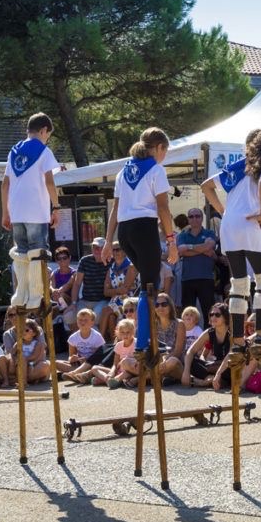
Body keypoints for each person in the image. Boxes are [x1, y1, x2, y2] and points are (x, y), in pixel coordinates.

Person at [201, 129, 261, 367]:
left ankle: (237, 340)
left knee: (239, 281)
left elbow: (206, 186)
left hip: (229, 226)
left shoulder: (237, 166)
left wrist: (223, 211)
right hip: (249, 222)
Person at [102, 127, 178, 357]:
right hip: (144, 228)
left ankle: (144, 337)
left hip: (124, 232)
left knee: (148, 282)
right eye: (166, 151)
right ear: (159, 148)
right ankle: (143, 342)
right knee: (150, 285)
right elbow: (163, 207)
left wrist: (108, 241)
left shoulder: (123, 172)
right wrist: (171, 240)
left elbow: (115, 209)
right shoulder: (156, 170)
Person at [1, 112, 61, 313]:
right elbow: (50, 182)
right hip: (37, 211)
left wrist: (5, 212)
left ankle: (21, 293)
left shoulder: (13, 151)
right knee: (37, 252)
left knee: (21, 253)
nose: (47, 139)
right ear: (44, 130)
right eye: (48, 135)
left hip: (16, 211)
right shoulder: (44, 151)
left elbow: (4, 184)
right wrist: (56, 206)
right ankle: (36, 295)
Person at [176, 207, 218, 324]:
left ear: (202, 218)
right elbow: (180, 251)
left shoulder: (209, 233)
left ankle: (210, 339)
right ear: (188, 219)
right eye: (191, 216)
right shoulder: (182, 236)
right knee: (188, 315)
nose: (194, 219)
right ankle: (189, 339)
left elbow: (210, 246)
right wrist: (203, 249)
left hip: (206, 278)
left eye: (197, 216)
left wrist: (189, 247)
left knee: (209, 313)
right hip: (187, 279)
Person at [184, 302, 231, 389]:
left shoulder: (231, 333)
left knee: (230, 366)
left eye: (217, 315)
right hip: (214, 367)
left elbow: (231, 357)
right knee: (191, 361)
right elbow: (191, 351)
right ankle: (211, 380)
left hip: (228, 367)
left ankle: (206, 381)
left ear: (225, 317)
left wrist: (218, 372)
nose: (213, 317)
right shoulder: (210, 332)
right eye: (211, 314)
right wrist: (186, 372)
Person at [96, 241, 137, 340]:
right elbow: (105, 292)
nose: (115, 252)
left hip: (128, 300)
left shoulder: (131, 266)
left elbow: (125, 290)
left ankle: (99, 341)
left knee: (106, 311)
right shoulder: (111, 269)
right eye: (113, 250)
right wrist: (119, 290)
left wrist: (113, 290)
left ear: (124, 251)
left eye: (118, 249)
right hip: (115, 301)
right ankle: (114, 344)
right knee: (111, 317)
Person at [71, 238, 111, 330]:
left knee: (94, 318)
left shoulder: (111, 261)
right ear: (92, 248)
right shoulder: (85, 261)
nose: (98, 250)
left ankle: (96, 341)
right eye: (95, 247)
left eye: (101, 247)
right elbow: (77, 283)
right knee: (70, 316)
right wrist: (73, 303)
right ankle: (75, 341)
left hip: (103, 300)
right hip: (85, 300)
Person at [0, 318, 50, 387]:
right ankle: (6, 381)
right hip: (18, 363)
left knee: (23, 359)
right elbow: (12, 353)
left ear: (34, 333)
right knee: (1, 358)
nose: (23, 332)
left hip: (30, 364)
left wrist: (25, 360)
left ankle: (23, 382)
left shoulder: (37, 344)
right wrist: (14, 360)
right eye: (21, 330)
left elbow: (35, 356)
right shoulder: (18, 343)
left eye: (26, 330)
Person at [149, 292, 187, 383]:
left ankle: (139, 379)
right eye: (157, 305)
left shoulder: (179, 324)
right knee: (127, 362)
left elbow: (178, 351)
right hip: (158, 360)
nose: (160, 307)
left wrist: (165, 360)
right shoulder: (153, 324)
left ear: (170, 306)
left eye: (164, 304)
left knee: (172, 361)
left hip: (175, 362)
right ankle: (165, 377)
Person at [61, 308, 105, 379]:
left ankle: (75, 373)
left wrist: (87, 359)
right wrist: (72, 358)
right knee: (55, 363)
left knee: (97, 366)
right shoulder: (73, 337)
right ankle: (80, 373)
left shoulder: (97, 337)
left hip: (92, 363)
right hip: (79, 363)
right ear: (77, 321)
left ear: (92, 322)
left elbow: (101, 356)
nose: (82, 322)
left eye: (85, 320)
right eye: (80, 320)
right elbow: (71, 356)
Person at [93, 319, 136, 387]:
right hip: (119, 371)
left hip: (130, 372)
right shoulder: (118, 345)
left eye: (128, 332)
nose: (125, 335)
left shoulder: (136, 344)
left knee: (126, 372)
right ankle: (108, 380)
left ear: (133, 332)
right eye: (122, 332)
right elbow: (115, 364)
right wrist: (112, 372)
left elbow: (136, 364)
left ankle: (114, 380)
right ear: (118, 333)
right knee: (94, 368)